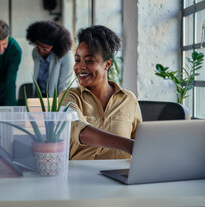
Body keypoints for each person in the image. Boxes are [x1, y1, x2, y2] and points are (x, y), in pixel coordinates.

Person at [60, 25, 142, 160]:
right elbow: (79, 131)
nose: (80, 67)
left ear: (107, 64)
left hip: (120, 175)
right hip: (80, 177)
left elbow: (141, 143)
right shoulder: (69, 97)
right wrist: (129, 145)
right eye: (77, 60)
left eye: (90, 60)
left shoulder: (129, 100)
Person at [26, 20, 74, 97]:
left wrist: (58, 106)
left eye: (45, 48)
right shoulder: (35, 53)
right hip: (40, 96)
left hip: (57, 99)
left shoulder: (66, 57)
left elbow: (64, 87)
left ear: (55, 46)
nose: (40, 50)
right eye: (38, 46)